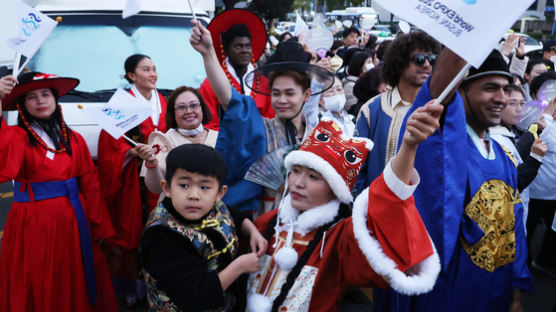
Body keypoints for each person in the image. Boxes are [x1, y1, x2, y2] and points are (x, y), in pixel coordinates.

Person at [374, 49, 533, 312]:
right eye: (490, 88)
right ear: (459, 92)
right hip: (450, 297)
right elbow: (438, 94)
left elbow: (513, 229)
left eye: (505, 89)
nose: (501, 98)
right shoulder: (440, 146)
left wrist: (514, 291)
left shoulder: (503, 156)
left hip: (495, 291)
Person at [245, 113, 443, 311]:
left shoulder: (340, 239)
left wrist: (408, 146)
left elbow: (387, 206)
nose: (298, 183)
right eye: (295, 171)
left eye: (313, 177)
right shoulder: (267, 223)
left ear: (334, 189)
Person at [0, 72, 117, 311]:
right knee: (40, 278)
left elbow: (90, 183)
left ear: (55, 99)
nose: (41, 101)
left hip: (75, 222)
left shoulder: (74, 139)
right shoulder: (17, 136)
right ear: (22, 105)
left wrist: (98, 224)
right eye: (31, 97)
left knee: (76, 274)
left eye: (46, 94)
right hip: (33, 224)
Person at [190, 21, 334, 215]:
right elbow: (228, 98)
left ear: (306, 95)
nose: (282, 100)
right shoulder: (260, 127)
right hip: (266, 219)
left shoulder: (320, 134)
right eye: (276, 93)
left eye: (290, 93)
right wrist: (208, 53)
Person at [141, 143, 268, 311]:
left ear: (219, 194)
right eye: (184, 185)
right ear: (167, 188)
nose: (194, 195)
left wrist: (252, 231)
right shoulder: (162, 235)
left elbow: (233, 216)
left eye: (205, 187)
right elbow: (195, 296)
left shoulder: (214, 206)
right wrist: (239, 266)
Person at [96, 53, 167, 307]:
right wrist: (129, 152)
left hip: (161, 180)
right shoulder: (122, 104)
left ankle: (159, 290)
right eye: (146, 69)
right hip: (132, 185)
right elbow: (107, 148)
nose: (153, 74)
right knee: (130, 236)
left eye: (154, 68)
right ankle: (130, 296)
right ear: (131, 75)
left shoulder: (164, 102)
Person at [355, 31, 441, 192]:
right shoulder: (372, 110)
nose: (427, 65)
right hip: (377, 209)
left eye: (432, 59)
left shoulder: (439, 109)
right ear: (399, 63)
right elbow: (356, 170)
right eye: (419, 59)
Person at [199, 9, 274, 131]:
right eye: (238, 46)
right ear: (227, 50)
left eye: (248, 46)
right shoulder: (210, 85)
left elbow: (271, 118)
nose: (245, 50)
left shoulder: (264, 83)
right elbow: (209, 125)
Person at [141, 86, 218, 201]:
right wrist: (151, 163)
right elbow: (156, 188)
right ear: (173, 113)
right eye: (182, 107)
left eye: (194, 105)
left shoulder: (220, 137)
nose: (189, 111)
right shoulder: (161, 141)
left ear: (202, 108)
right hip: (175, 212)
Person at [490, 84, 546, 232]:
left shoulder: (507, 134)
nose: (520, 108)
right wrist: (534, 158)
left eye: (522, 103)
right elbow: (510, 185)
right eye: (512, 103)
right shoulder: (493, 140)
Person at [525, 71, 556, 277]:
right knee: (526, 232)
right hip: (535, 190)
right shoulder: (537, 118)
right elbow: (541, 139)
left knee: (551, 234)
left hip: (553, 193)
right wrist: (545, 115)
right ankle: (519, 271)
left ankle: (543, 261)